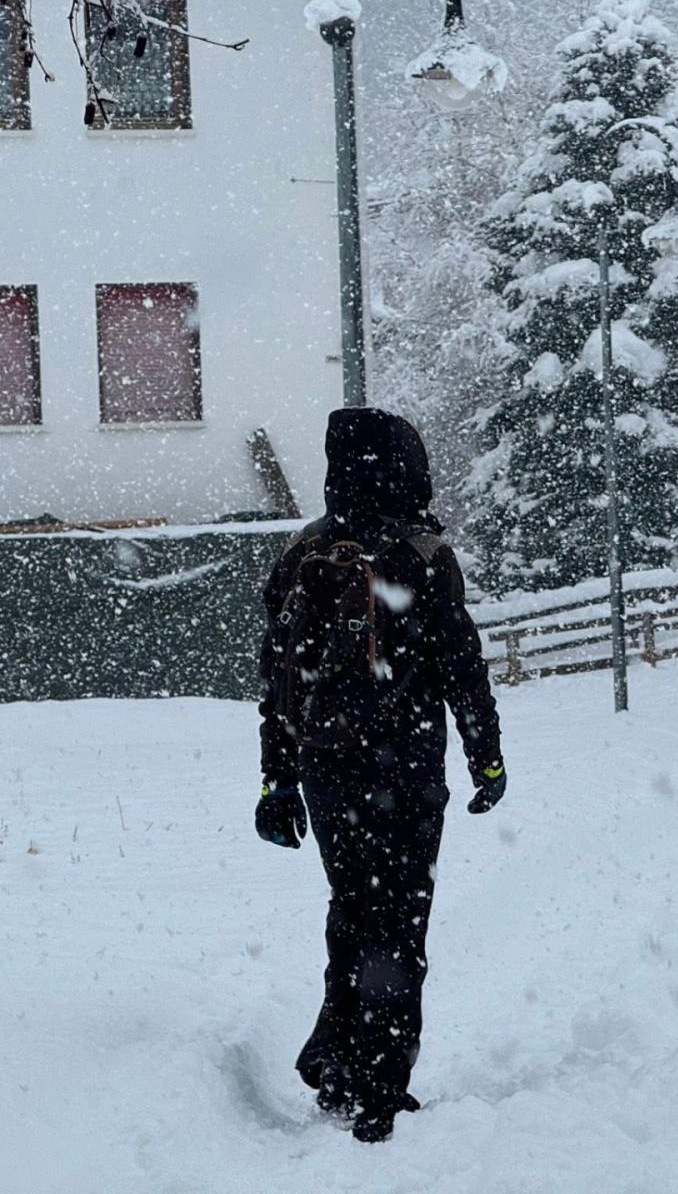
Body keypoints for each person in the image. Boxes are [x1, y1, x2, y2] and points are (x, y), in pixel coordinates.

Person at [254, 407, 506, 1144]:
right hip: (408, 766)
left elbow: (277, 683)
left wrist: (277, 781)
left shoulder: (302, 554)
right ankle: (378, 1088)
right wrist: (484, 755)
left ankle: (338, 1062)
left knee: (354, 910)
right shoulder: (423, 553)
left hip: (327, 769)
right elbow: (463, 668)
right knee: (398, 923)